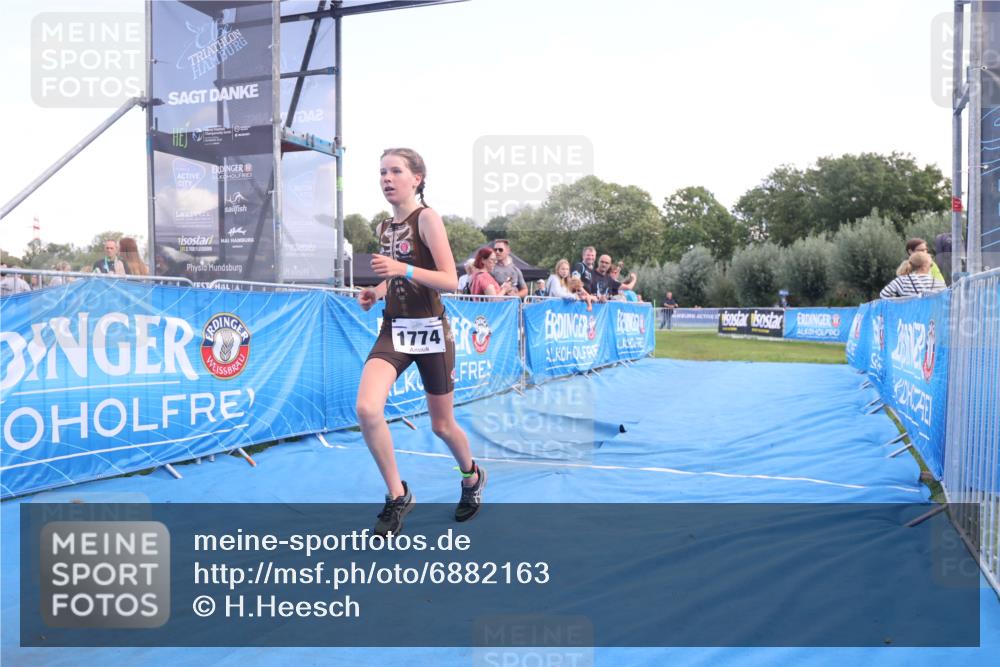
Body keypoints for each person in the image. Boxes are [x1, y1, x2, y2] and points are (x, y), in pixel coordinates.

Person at [356, 148, 485, 536]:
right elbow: (397, 278)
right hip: (394, 329)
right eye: (382, 172)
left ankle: (471, 476)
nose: (387, 178)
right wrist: (377, 292)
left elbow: (450, 279)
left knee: (442, 426)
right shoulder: (383, 227)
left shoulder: (426, 218)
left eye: (396, 171)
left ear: (417, 178)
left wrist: (403, 268)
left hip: (430, 332)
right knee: (366, 408)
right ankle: (398, 495)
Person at [879, 251, 947, 298]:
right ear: (924, 266)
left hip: (907, 318)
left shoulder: (902, 281)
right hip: (931, 318)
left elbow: (884, 294)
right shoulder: (939, 284)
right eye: (931, 265)